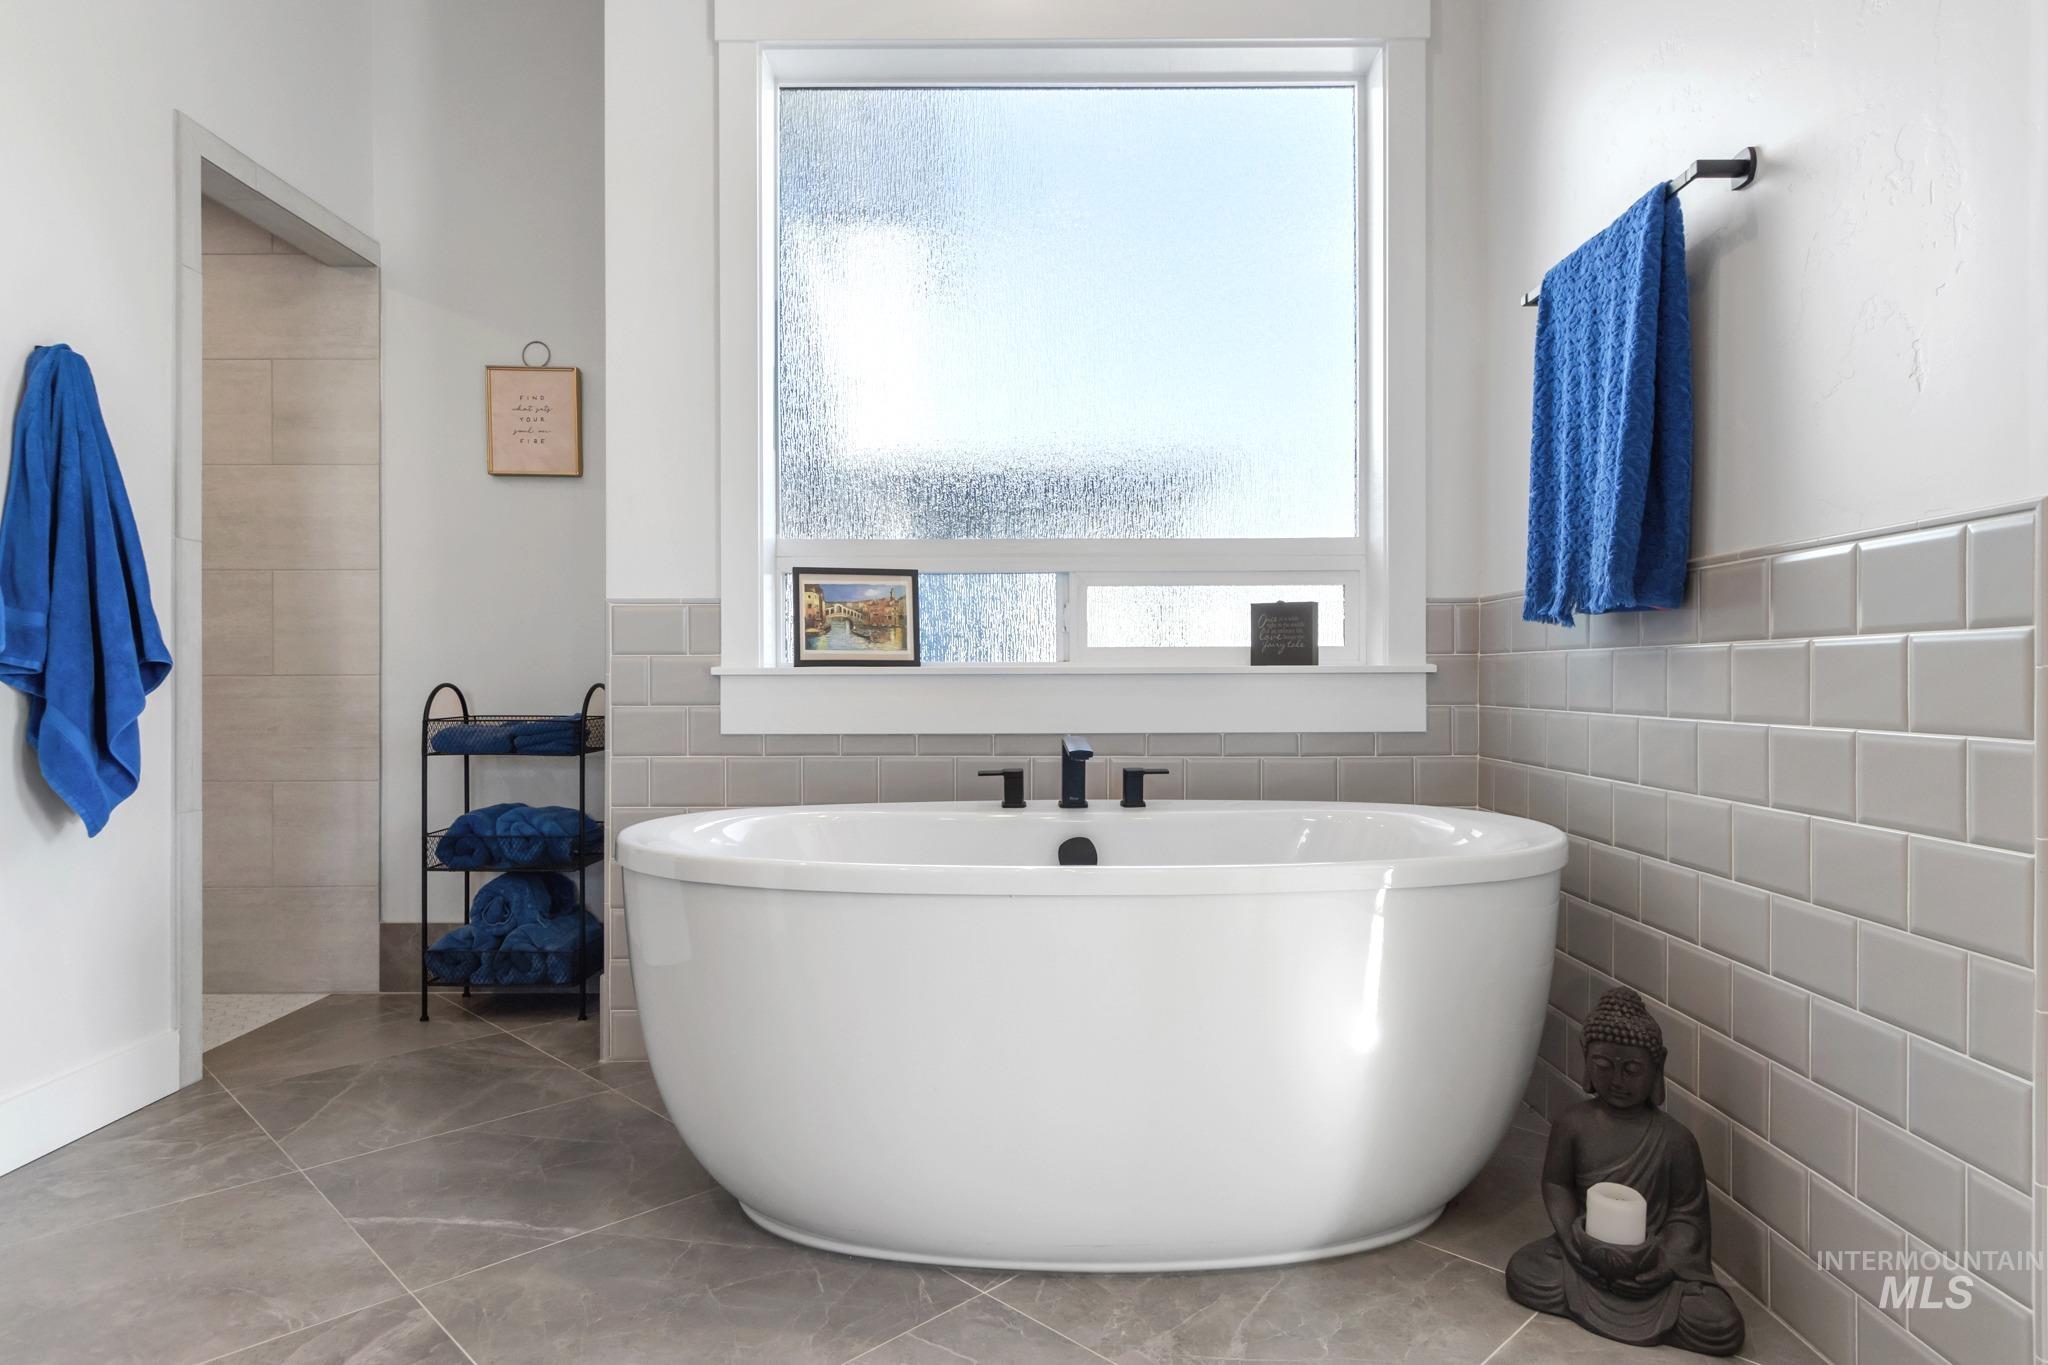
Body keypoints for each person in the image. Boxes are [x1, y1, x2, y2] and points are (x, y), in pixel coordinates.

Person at [1505, 987, 1744, 1355]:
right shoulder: (1574, 1124)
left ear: (1657, 1067)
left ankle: (1638, 1297)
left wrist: (1663, 1265)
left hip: (1652, 1265)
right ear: (1587, 1061)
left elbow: (1688, 1219)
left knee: (1720, 1324)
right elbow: (1556, 1184)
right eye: (1604, 1066)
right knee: (1526, 1271)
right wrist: (1572, 1240)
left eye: (1632, 1069)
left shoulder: (1675, 1140)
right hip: (1586, 1252)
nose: (1617, 1080)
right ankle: (1591, 1282)